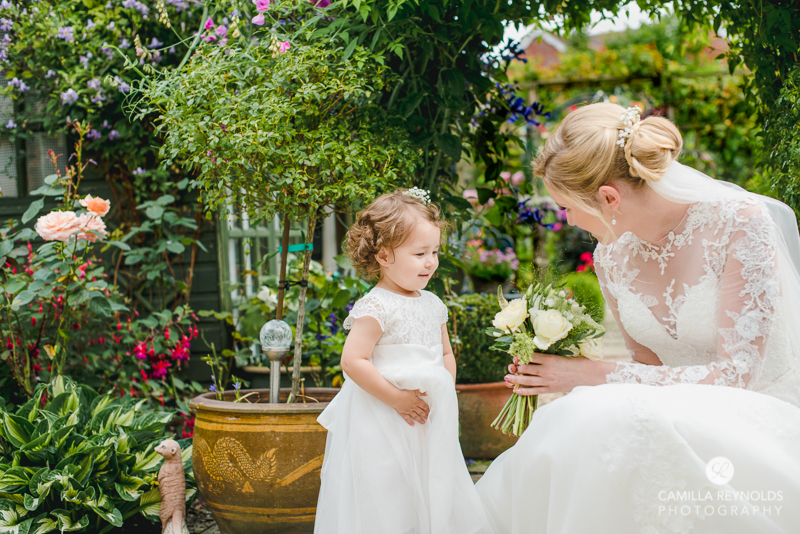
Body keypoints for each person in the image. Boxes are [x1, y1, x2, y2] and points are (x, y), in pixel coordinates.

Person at [475, 103, 800, 533]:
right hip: (669, 415)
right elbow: (647, 373)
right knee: (584, 420)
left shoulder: (741, 225)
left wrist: (585, 375)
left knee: (590, 413)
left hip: (756, 414)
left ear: (610, 198)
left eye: (567, 207)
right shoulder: (612, 255)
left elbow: (736, 376)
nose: (568, 221)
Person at [314, 189, 493, 534]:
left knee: (431, 479)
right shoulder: (376, 305)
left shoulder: (432, 303)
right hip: (383, 416)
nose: (431, 262)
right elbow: (353, 361)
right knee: (389, 487)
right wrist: (397, 399)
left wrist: (445, 388)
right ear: (383, 255)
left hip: (426, 415)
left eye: (435, 252)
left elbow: (443, 354)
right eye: (419, 253)